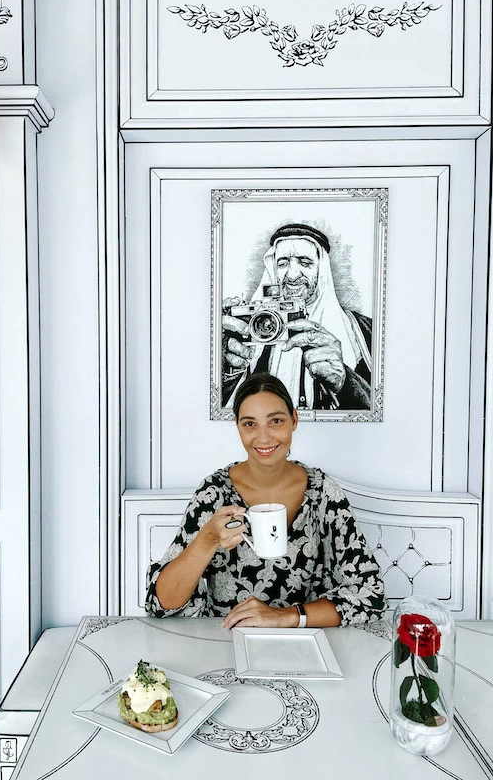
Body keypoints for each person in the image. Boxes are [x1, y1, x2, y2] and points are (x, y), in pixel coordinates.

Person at [146, 372, 386, 628]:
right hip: (226, 644)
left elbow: (370, 595)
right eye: (250, 424)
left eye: (275, 421)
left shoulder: (323, 492)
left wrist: (284, 616)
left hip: (307, 649)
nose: (263, 437)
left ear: (294, 419)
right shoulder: (214, 493)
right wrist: (209, 539)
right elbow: (161, 603)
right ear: (237, 425)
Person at [222, 223, 372, 411]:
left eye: (305, 262)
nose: (292, 275)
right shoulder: (256, 325)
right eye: (283, 263)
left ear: (321, 269)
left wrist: (345, 382)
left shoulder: (364, 331)